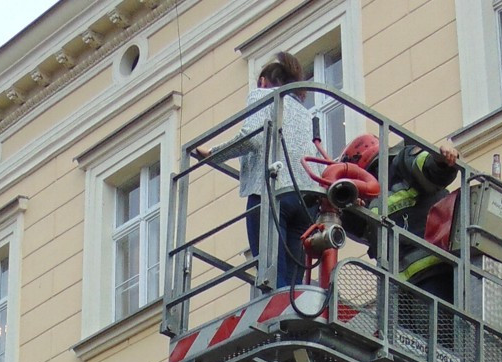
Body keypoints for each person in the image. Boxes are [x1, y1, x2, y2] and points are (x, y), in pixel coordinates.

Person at [196, 52, 319, 289]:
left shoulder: (262, 95)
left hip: (272, 192)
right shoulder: (305, 113)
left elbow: (251, 139)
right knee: (293, 283)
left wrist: (213, 153)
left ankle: (277, 313)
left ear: (263, 81)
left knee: (271, 276)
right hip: (306, 198)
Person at [340, 134, 460, 303]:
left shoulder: (400, 164)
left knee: (438, 326)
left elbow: (426, 167)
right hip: (400, 289)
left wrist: (440, 160)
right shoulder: (369, 203)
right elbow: (350, 223)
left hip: (434, 272)